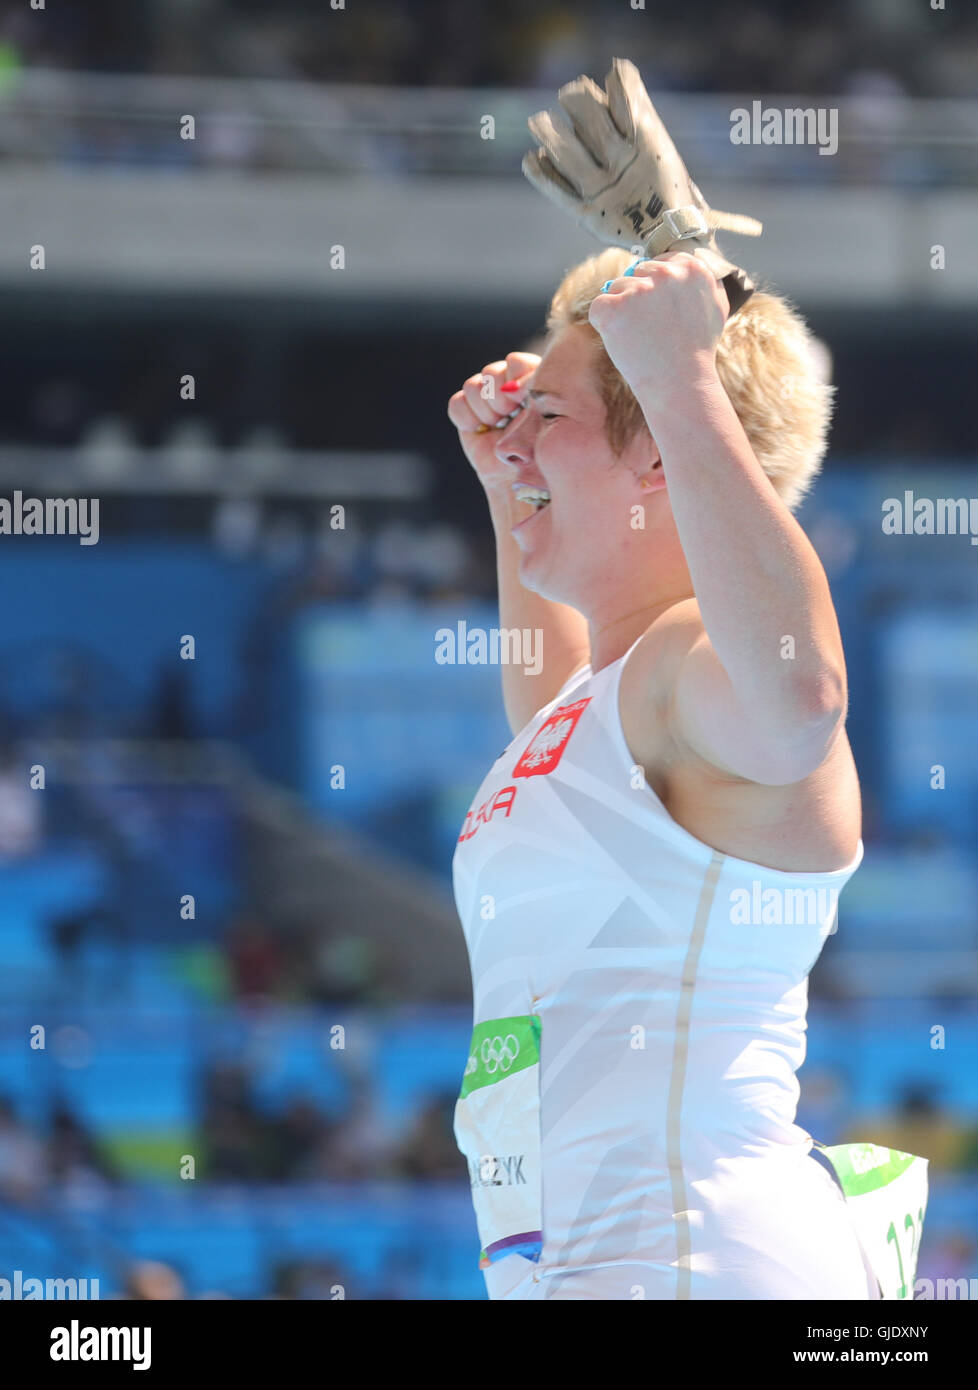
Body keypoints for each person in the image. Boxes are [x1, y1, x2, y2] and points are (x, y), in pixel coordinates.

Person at [446, 245, 875, 1300]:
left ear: (657, 465)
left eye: (550, 414)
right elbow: (544, 720)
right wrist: (512, 481)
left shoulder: (697, 678)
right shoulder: (599, 703)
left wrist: (683, 382)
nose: (517, 438)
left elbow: (803, 695)